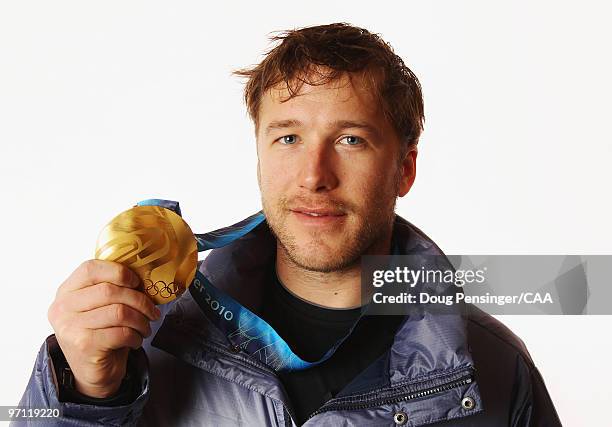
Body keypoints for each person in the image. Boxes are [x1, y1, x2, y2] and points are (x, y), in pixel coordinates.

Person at [17, 23, 562, 426]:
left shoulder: (494, 368)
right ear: (258, 153)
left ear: (405, 169)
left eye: (350, 139)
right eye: (288, 138)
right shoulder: (143, 345)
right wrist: (84, 395)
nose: (313, 176)